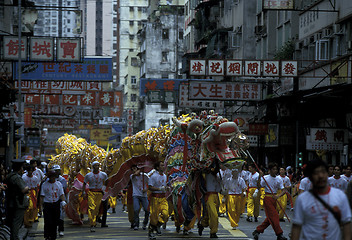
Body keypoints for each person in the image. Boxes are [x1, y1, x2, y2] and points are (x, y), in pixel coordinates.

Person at [291, 159, 351, 240]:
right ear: (310, 176)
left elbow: (347, 224)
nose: (320, 176)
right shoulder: (302, 199)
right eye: (316, 173)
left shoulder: (340, 196)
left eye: (323, 172)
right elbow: (296, 227)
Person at [252, 162, 287, 240]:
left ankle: (258, 230)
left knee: (270, 218)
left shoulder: (279, 179)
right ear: (270, 170)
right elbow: (258, 186)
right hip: (267, 198)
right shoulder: (265, 178)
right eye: (273, 169)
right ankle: (279, 234)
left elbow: (284, 190)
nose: (275, 171)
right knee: (275, 216)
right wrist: (259, 177)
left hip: (274, 199)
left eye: (276, 169)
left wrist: (278, 196)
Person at [5, 159, 29, 240]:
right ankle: (15, 238)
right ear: (20, 168)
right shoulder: (16, 178)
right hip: (18, 203)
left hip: (13, 202)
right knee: (16, 223)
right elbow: (23, 189)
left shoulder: (10, 176)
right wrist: (27, 187)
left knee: (14, 221)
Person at [39, 169, 66, 240]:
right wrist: (40, 207)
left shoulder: (59, 184)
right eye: (51, 177)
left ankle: (53, 236)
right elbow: (42, 196)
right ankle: (47, 235)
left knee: (55, 221)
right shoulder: (44, 185)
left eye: (53, 177)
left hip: (56, 205)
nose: (52, 178)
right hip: (47, 205)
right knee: (48, 221)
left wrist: (63, 203)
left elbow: (62, 194)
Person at [82, 161, 108, 232]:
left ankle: (94, 221)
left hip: (99, 193)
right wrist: (83, 192)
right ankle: (92, 224)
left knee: (96, 209)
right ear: (93, 167)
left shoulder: (103, 174)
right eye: (95, 165)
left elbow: (106, 180)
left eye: (98, 165)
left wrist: (104, 187)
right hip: (91, 193)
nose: (97, 167)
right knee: (91, 207)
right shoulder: (88, 175)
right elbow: (84, 183)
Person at [199, 166, 222, 238]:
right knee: (214, 215)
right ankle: (213, 232)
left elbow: (221, 187)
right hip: (209, 196)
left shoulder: (218, 176)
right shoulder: (206, 175)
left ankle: (202, 224)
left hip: (216, 196)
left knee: (208, 216)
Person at [148, 161, 168, 239]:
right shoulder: (153, 176)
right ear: (157, 167)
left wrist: (167, 188)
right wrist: (159, 188)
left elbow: (166, 186)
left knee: (166, 214)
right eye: (162, 165)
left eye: (163, 165)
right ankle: (151, 231)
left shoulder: (165, 176)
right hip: (155, 198)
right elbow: (150, 187)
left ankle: (158, 225)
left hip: (163, 197)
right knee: (154, 216)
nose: (163, 166)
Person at [130, 164, 149, 231]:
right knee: (136, 209)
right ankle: (136, 224)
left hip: (144, 195)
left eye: (135, 168)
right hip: (136, 195)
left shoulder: (145, 176)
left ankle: (145, 223)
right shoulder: (132, 176)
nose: (133, 170)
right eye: (132, 169)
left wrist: (146, 190)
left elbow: (150, 184)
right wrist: (138, 170)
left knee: (147, 210)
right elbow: (135, 174)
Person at [52, 165, 67, 237]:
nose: (57, 172)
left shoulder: (62, 180)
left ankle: (61, 230)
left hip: (60, 200)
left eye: (58, 170)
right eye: (55, 170)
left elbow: (64, 191)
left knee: (61, 216)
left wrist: (64, 201)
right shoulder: (48, 180)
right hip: (51, 200)